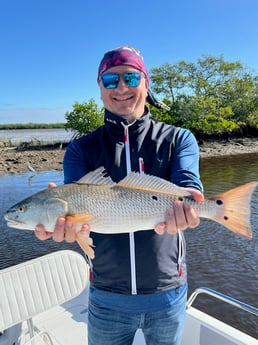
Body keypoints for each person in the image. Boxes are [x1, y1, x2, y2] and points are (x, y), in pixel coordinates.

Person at [35, 46, 204, 345]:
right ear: (100, 88)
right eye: (111, 80)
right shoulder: (80, 149)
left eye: (131, 77)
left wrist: (193, 202)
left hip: (167, 294)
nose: (122, 87)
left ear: (146, 82)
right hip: (106, 297)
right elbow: (77, 213)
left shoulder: (179, 138)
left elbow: (187, 185)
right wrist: (68, 228)